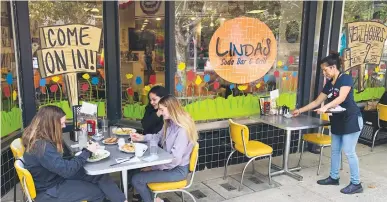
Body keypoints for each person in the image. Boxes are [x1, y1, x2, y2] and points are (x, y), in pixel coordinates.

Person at [292, 52, 364, 194]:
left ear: (333, 67)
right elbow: (316, 102)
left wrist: (326, 107)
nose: (324, 72)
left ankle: (356, 184)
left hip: (351, 119)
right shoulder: (329, 85)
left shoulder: (346, 79)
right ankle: (334, 177)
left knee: (349, 152)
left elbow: (341, 98)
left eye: (325, 69)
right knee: (335, 150)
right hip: (337, 120)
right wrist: (300, 110)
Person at [22, 106, 127, 202]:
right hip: (50, 191)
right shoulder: (42, 146)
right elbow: (67, 171)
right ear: (51, 125)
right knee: (97, 192)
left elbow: (59, 165)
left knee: (99, 175)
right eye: (61, 123)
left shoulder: (39, 140)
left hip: (55, 177)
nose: (63, 127)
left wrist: (84, 153)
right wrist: (87, 152)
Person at [130, 95, 198, 202]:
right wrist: (141, 137)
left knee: (137, 179)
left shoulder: (182, 130)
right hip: (169, 165)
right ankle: (153, 199)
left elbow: (175, 159)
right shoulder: (169, 123)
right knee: (135, 171)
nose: (160, 113)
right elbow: (157, 136)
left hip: (177, 170)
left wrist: (153, 167)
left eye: (162, 110)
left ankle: (151, 200)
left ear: (171, 108)